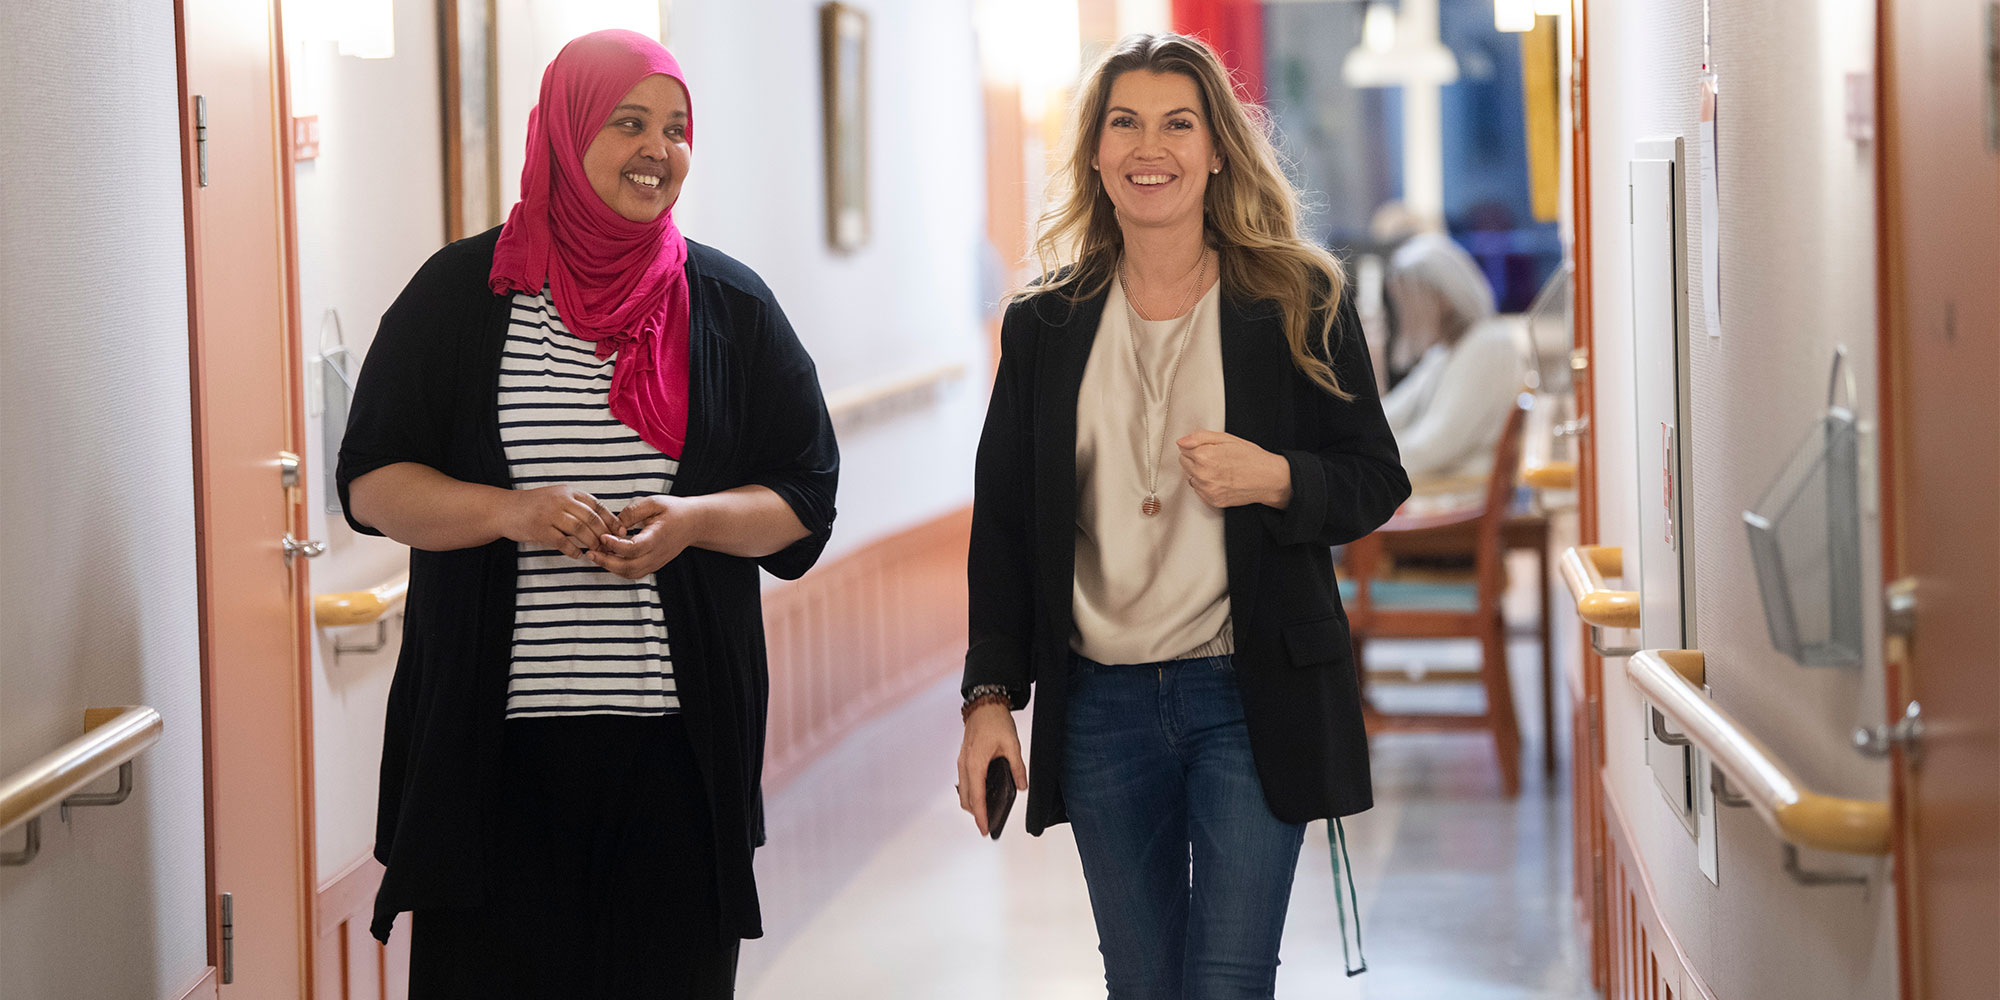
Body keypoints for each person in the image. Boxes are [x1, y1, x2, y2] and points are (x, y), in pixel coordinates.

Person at [336, 30, 837, 998]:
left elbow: (803, 495)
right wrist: (508, 511)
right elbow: (371, 482)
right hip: (490, 761)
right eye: (629, 122)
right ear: (566, 132)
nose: (659, 148)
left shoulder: (728, 305)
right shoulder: (462, 297)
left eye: (677, 128)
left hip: (677, 761)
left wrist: (691, 520)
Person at [954, 33, 1410, 999]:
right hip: (1100, 703)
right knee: (1144, 980)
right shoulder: (1044, 325)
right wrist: (989, 701)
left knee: (1232, 978)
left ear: (1215, 151)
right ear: (1094, 152)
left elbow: (1375, 477)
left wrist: (1277, 477)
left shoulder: (1297, 299)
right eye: (1124, 122)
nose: (1147, 145)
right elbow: (1002, 528)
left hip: (1248, 696)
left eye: (1176, 123)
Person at [1378, 232, 1527, 487]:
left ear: (1443, 296)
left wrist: (1364, 461)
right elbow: (1386, 416)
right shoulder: (1445, 351)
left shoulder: (1488, 346)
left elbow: (1436, 445)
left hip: (1467, 491)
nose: (1404, 313)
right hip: (1444, 483)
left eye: (1410, 299)